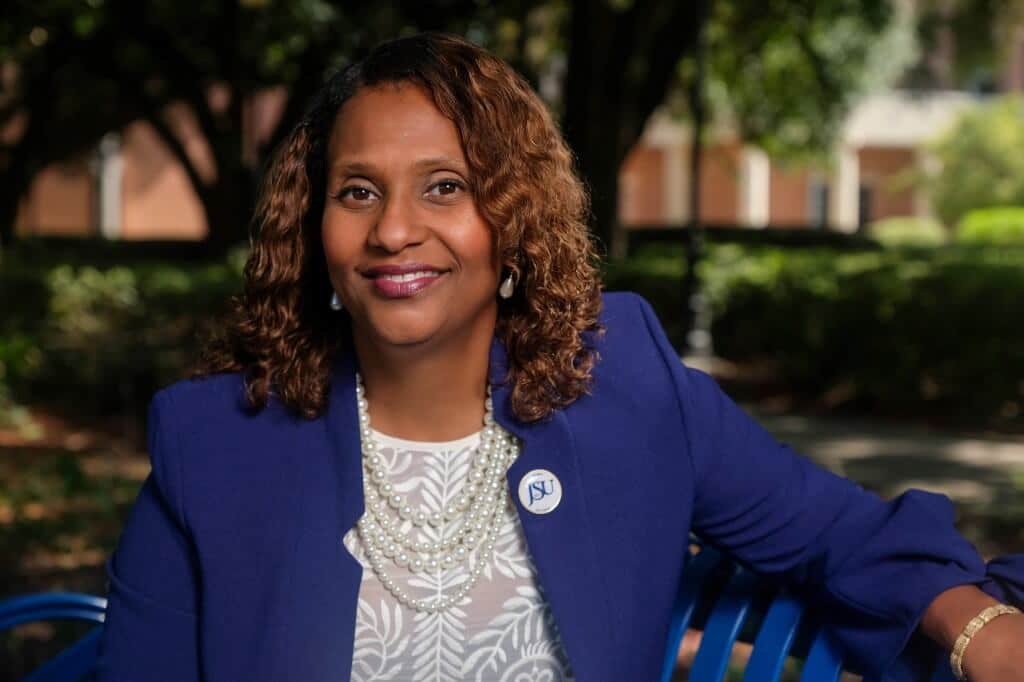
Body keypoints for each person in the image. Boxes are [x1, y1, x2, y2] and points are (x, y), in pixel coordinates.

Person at [96, 33, 1024, 682]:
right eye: (358, 191)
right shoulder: (215, 439)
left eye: (445, 187)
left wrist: (977, 625)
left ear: (514, 221)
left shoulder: (626, 389)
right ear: (316, 229)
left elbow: (839, 534)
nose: (394, 231)